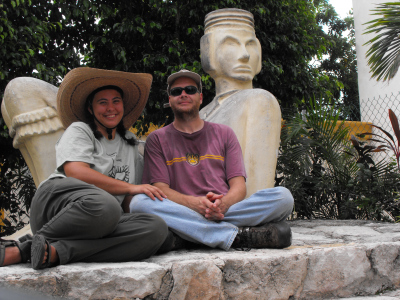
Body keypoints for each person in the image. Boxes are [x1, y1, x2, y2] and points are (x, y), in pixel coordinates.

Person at [0, 67, 171, 269]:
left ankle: (55, 252)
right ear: (90, 109)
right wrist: (131, 188)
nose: (111, 108)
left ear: (123, 106)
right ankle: (28, 246)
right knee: (105, 206)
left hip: (99, 221)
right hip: (57, 206)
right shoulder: (80, 130)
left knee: (157, 229)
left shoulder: (130, 142)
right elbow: (76, 171)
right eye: (102, 102)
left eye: (116, 101)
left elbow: (127, 201)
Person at [129, 69, 294, 250]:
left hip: (224, 211)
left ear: (200, 98)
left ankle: (188, 234)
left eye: (190, 90)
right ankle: (234, 236)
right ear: (170, 100)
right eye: (176, 91)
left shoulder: (224, 133)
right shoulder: (157, 139)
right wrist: (195, 204)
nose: (183, 94)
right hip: (183, 209)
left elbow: (239, 186)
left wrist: (223, 205)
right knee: (139, 204)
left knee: (283, 198)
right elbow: (160, 189)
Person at [199, 8, 282, 195]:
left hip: (235, 208)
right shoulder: (200, 114)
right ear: (208, 51)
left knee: (280, 199)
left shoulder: (260, 101)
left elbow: (256, 191)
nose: (245, 54)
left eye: (250, 44)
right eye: (231, 44)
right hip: (200, 205)